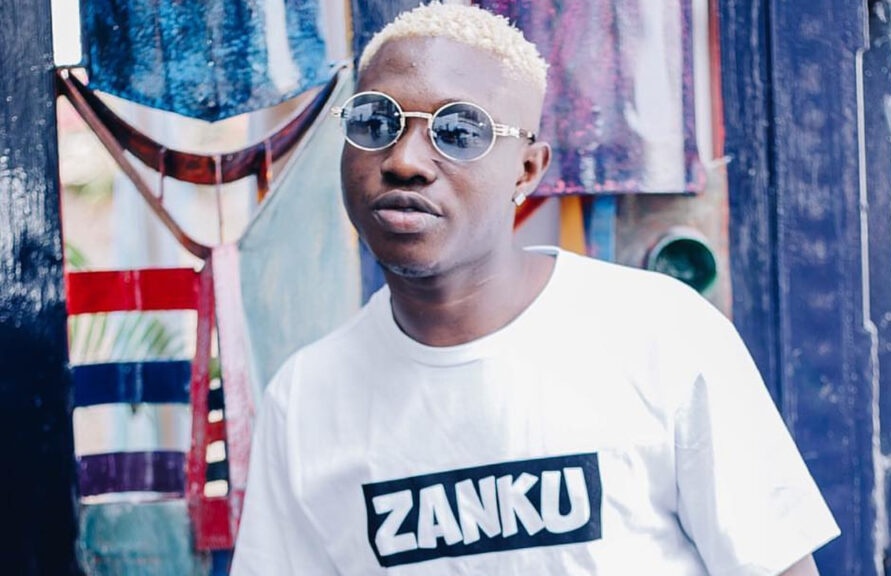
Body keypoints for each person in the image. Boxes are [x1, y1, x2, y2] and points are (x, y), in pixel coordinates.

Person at [231, 3, 839, 575]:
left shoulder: (661, 334)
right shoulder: (305, 400)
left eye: (457, 131)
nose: (405, 160)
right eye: (376, 122)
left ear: (527, 170)